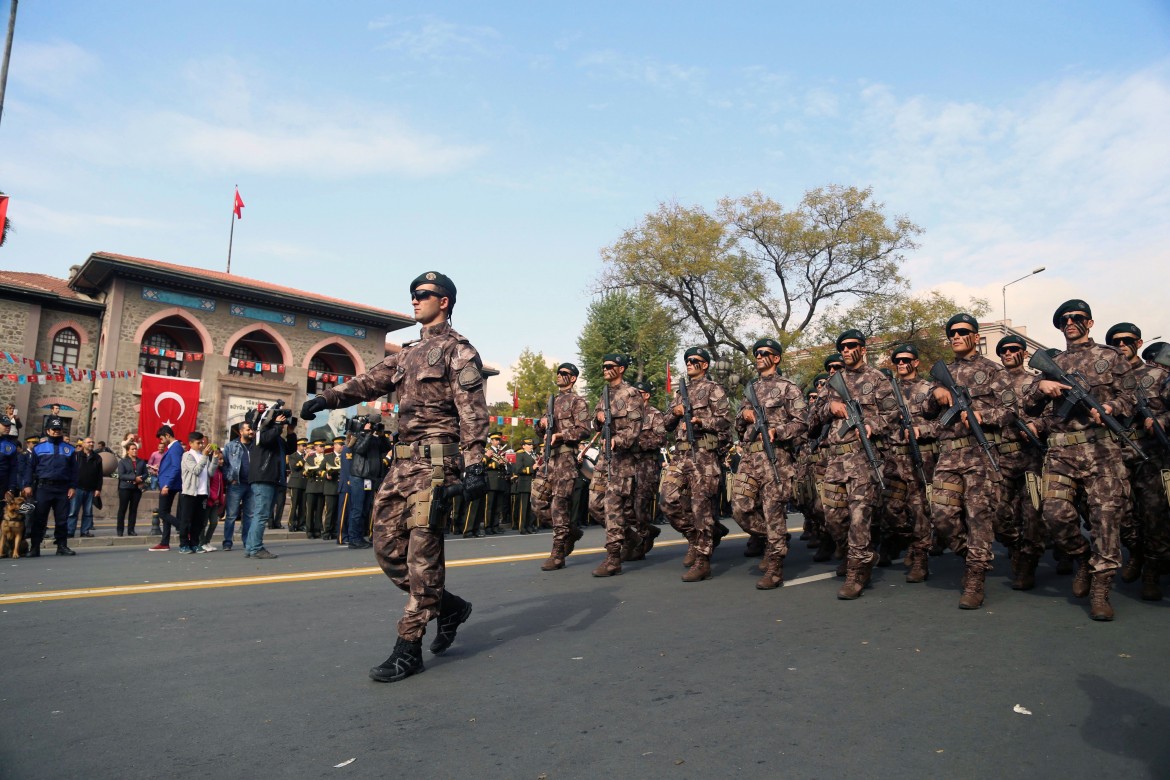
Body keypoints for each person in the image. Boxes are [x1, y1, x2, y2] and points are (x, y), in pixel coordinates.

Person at [301, 270, 488, 683]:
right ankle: (449, 606)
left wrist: (475, 465)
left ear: (445, 301)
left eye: (424, 294)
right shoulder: (407, 354)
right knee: (386, 550)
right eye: (413, 295)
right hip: (401, 464)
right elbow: (369, 382)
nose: (415, 300)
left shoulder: (461, 353)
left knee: (422, 555)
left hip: (437, 464)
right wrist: (327, 398)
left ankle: (408, 648)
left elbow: (473, 412)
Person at [1021, 300, 1135, 621]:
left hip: (1100, 449)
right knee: (1055, 513)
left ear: (1090, 323)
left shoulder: (1110, 357)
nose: (1070, 322)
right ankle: (1081, 557)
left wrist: (1111, 408)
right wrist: (1042, 386)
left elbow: (1130, 396)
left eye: (1077, 318)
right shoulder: (1051, 361)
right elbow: (1028, 403)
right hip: (1060, 451)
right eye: (1064, 319)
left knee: (1106, 517)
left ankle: (1101, 586)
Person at [923, 314, 1014, 609]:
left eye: (963, 332)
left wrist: (981, 415)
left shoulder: (993, 371)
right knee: (941, 516)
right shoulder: (941, 373)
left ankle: (975, 576)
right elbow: (924, 410)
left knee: (978, 517)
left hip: (979, 453)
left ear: (976, 337)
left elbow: (1010, 411)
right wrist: (935, 394)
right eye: (952, 333)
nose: (956, 336)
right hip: (949, 454)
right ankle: (970, 555)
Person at [810, 330, 896, 599]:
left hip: (863, 459)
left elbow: (893, 416)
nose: (846, 351)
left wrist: (872, 424)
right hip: (836, 460)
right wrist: (829, 408)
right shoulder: (832, 383)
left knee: (859, 518)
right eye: (842, 347)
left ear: (863, 348)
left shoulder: (878, 379)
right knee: (833, 516)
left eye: (851, 346)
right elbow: (810, 421)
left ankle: (855, 573)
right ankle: (861, 556)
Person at [731, 338, 808, 589]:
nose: (759, 356)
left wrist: (779, 431)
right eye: (757, 353)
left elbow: (803, 424)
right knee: (740, 507)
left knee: (773, 511)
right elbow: (738, 425)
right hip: (750, 457)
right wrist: (743, 415)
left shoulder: (789, 388)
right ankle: (775, 538)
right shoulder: (750, 389)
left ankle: (775, 567)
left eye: (764, 353)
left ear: (776, 358)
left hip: (776, 458)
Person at [1105, 322, 1168, 601]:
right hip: (1115, 455)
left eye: (1127, 340)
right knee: (1121, 515)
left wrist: (1162, 420)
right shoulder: (1106, 379)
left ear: (1139, 343)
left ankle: (1152, 570)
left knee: (1154, 516)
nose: (1121, 345)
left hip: (1151, 456)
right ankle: (1137, 554)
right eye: (1115, 342)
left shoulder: (1157, 374)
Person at [661, 347, 730, 582]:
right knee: (668, 500)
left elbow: (725, 421)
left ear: (705, 365)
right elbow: (665, 424)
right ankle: (696, 538)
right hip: (681, 456)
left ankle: (703, 561)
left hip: (704, 455)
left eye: (694, 360)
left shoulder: (713, 389)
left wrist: (702, 420)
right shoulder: (681, 393)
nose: (689, 363)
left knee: (702, 509)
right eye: (687, 360)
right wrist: (675, 412)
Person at [992, 334, 1047, 590]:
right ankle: (1015, 547)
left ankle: (1028, 564)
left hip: (1030, 458)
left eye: (1014, 349)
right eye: (1003, 350)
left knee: (1032, 514)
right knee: (998, 513)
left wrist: (1037, 425)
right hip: (1000, 457)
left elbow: (1050, 413)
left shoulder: (1037, 382)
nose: (1008, 353)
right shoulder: (991, 383)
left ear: (1024, 353)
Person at [587, 353, 645, 577]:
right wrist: (598, 419)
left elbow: (634, 430)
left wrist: (617, 440)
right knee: (595, 505)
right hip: (604, 459)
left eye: (609, 366)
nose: (605, 369)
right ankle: (632, 537)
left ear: (620, 369)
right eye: (603, 365)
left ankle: (613, 558)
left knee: (613, 507)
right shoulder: (603, 395)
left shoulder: (631, 394)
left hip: (622, 460)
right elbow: (594, 424)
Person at [23, 416, 79, 556]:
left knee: (62, 519)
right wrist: (27, 485)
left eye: (58, 429)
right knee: (39, 518)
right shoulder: (39, 448)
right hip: (43, 487)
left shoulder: (69, 449)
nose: (56, 432)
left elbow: (74, 470)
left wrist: (73, 487)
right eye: (53, 429)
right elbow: (30, 468)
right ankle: (35, 547)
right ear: (47, 430)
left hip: (62, 488)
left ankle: (61, 546)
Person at [244, 405, 290, 559]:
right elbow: (265, 439)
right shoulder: (261, 434)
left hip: (270, 478)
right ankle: (256, 548)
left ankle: (251, 547)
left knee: (260, 514)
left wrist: (290, 432)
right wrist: (277, 425)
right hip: (263, 478)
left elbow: (289, 448)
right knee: (262, 515)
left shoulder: (275, 437)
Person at [629, 380, 667, 560]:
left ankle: (642, 539)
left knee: (639, 504)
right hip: (628, 464)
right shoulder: (627, 416)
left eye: (638, 393)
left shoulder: (654, 415)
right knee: (624, 504)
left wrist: (636, 443)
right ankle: (646, 530)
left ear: (646, 396)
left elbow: (660, 439)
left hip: (647, 465)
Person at [342, 421, 388, 549]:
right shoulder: (358, 437)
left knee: (364, 509)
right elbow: (360, 450)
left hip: (369, 478)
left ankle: (360, 536)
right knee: (357, 508)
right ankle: (353, 538)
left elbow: (386, 448)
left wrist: (382, 435)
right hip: (359, 477)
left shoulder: (374, 439)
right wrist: (367, 434)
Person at [148, 426, 184, 552]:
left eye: (162, 438)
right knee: (166, 513)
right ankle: (165, 542)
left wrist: (167, 485)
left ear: (168, 435)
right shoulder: (173, 448)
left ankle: (184, 529)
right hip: (167, 483)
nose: (161, 441)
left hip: (168, 485)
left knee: (162, 513)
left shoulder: (175, 448)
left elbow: (176, 467)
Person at [221, 423, 253, 552]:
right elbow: (225, 465)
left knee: (249, 515)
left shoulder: (255, 446)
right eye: (248, 429)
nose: (251, 432)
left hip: (251, 485)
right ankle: (227, 542)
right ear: (241, 432)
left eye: (252, 429)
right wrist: (230, 478)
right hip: (236, 485)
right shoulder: (231, 446)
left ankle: (247, 541)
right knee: (231, 515)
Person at [178, 431, 212, 554]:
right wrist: (204, 456)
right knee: (186, 520)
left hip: (202, 492)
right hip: (190, 492)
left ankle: (194, 543)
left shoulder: (203, 456)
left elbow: (210, 473)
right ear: (191, 443)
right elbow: (196, 470)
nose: (201, 445)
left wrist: (213, 459)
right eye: (198, 443)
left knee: (199, 520)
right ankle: (183, 544)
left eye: (202, 443)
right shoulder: (187, 455)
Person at [68, 437, 103, 538]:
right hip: (77, 488)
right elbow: (71, 471)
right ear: (83, 444)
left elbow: (99, 475)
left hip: (90, 489)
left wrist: (98, 489)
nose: (91, 444)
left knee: (88, 512)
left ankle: (85, 531)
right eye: (89, 442)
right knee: (73, 511)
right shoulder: (76, 455)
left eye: (92, 442)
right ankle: (70, 531)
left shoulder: (97, 457)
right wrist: (71, 486)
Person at [115, 442, 148, 536]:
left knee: (133, 509)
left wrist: (141, 478)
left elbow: (145, 473)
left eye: (135, 449)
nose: (134, 450)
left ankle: (131, 530)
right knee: (122, 509)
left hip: (136, 489)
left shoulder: (141, 461)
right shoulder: (123, 462)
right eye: (132, 449)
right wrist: (134, 478)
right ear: (128, 451)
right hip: (125, 488)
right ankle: (120, 530)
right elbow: (121, 475)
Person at [201, 444, 226, 552]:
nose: (221, 461)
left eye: (222, 459)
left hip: (216, 502)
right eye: (219, 459)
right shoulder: (211, 471)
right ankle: (201, 542)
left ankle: (207, 541)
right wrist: (214, 497)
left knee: (214, 523)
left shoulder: (220, 472)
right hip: (209, 501)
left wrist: (220, 500)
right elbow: (208, 486)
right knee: (204, 523)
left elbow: (221, 488)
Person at [511, 438, 537, 533]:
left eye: (531, 444)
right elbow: (518, 470)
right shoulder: (520, 455)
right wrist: (531, 468)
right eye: (529, 444)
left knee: (531, 507)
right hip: (524, 483)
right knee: (524, 507)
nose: (531, 446)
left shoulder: (534, 456)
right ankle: (522, 527)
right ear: (523, 446)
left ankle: (529, 525)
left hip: (533, 483)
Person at [303, 440, 326, 538]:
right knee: (310, 510)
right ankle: (309, 530)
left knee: (319, 510)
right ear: (315, 447)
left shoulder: (326, 457)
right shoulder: (311, 457)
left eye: (323, 446)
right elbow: (306, 470)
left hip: (321, 486)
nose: (322, 448)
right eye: (320, 446)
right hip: (312, 486)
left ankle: (317, 530)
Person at [286, 438, 308, 532]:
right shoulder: (292, 456)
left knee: (303, 506)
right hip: (295, 483)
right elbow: (295, 467)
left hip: (304, 483)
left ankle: (301, 524)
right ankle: (291, 523)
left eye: (305, 446)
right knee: (294, 504)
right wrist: (304, 459)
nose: (305, 448)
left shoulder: (306, 456)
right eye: (303, 446)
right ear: (298, 446)